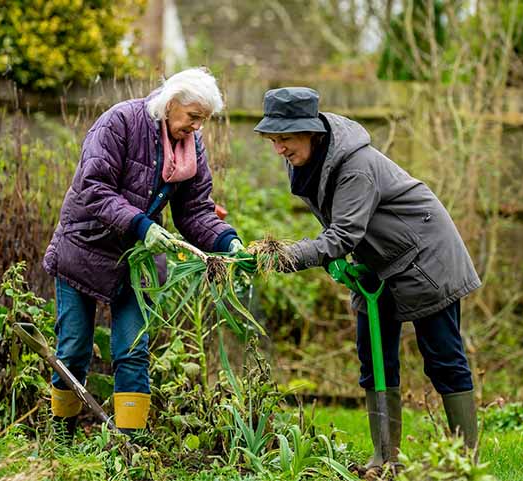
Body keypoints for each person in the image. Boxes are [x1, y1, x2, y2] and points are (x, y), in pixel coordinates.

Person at [248, 87, 482, 468]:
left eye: (285, 139)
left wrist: (284, 256)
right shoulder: (306, 162)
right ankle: (385, 459)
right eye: (274, 140)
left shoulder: (356, 165)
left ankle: (463, 461)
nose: (279, 149)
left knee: (442, 356)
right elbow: (340, 228)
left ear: (312, 132)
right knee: (373, 359)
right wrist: (333, 261)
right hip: (378, 262)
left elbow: (341, 235)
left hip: (426, 255)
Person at [42, 67, 245, 435]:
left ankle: (130, 445)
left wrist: (226, 241)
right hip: (85, 246)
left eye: (203, 121)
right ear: (170, 104)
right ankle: (62, 438)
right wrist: (142, 224)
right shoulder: (119, 122)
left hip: (137, 259)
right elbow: (93, 186)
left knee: (132, 350)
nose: (197, 128)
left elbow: (195, 210)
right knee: (73, 349)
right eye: (193, 118)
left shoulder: (190, 146)